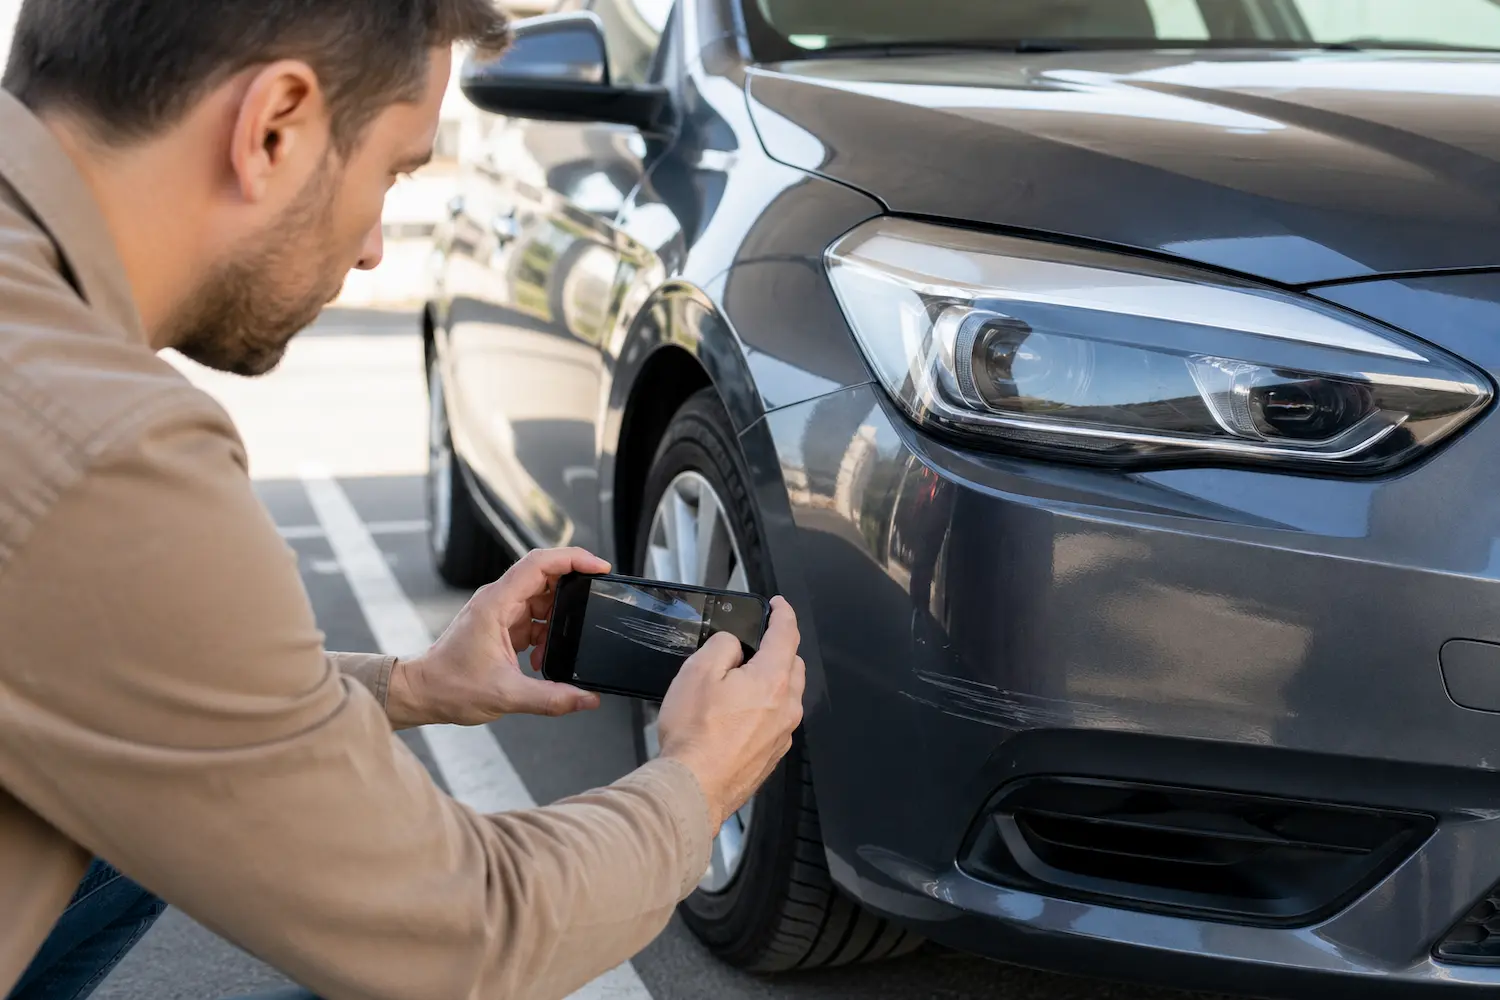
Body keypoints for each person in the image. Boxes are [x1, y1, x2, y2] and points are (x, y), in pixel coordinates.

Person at [0, 1, 807, 999]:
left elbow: (133, 670)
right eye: (389, 171)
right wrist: (700, 778)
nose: (378, 243)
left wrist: (411, 685)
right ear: (276, 128)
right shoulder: (104, 450)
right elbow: (468, 934)